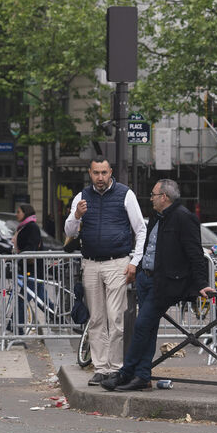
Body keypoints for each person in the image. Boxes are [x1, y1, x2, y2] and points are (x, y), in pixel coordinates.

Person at [102, 179, 210, 391]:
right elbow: (150, 246)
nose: (150, 198)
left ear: (164, 197)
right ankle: (142, 376)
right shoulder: (157, 216)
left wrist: (201, 283)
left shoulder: (184, 218)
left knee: (142, 325)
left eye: (153, 194)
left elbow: (195, 253)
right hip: (146, 278)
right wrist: (139, 268)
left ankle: (125, 373)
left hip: (164, 283)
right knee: (148, 329)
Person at [64, 157, 146, 386]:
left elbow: (140, 229)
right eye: (96, 173)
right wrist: (76, 215)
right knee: (96, 318)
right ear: (90, 173)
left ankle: (115, 368)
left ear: (111, 172)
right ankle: (100, 368)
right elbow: (69, 231)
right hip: (90, 263)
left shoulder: (125, 194)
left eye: (104, 173)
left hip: (117, 262)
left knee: (115, 316)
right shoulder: (81, 197)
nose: (100, 177)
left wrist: (135, 262)